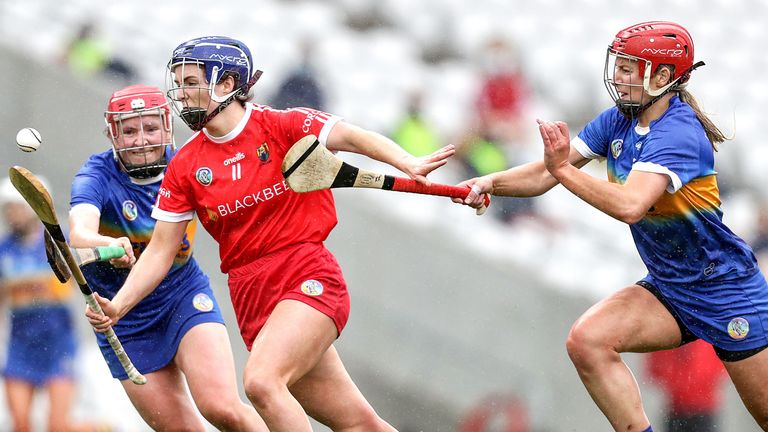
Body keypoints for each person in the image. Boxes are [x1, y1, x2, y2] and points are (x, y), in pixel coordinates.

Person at [86, 36, 455, 432]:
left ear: (226, 84)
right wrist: (119, 305)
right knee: (358, 423)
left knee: (261, 383)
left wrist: (406, 160)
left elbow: (351, 136)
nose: (182, 94)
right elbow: (160, 252)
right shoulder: (186, 166)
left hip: (307, 274)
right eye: (178, 82)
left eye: (191, 82)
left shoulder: (281, 125)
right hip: (251, 295)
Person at [460, 21, 768, 431]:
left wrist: (562, 172)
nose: (619, 77)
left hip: (728, 292)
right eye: (619, 65)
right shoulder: (618, 120)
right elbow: (545, 174)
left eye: (630, 68)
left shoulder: (678, 132)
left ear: (662, 77)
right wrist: (491, 182)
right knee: (587, 341)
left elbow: (630, 205)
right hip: (672, 288)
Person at [72, 84, 266, 431]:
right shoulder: (96, 174)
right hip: (123, 320)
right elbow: (80, 232)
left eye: (150, 128)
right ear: (112, 133)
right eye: (129, 131)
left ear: (167, 127)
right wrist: (108, 241)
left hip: (182, 296)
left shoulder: (187, 164)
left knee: (222, 408)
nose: (142, 139)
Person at [0, 177, 104, 432]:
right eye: (8, 208)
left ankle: (103, 429)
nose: (13, 214)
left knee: (57, 426)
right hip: (20, 346)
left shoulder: (60, 244)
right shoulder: (4, 251)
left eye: (19, 207)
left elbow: (92, 279)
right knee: (20, 423)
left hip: (59, 345)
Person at [645, 340, 726, 432]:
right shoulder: (668, 337)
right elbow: (655, 368)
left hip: (702, 410)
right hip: (677, 410)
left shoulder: (708, 338)